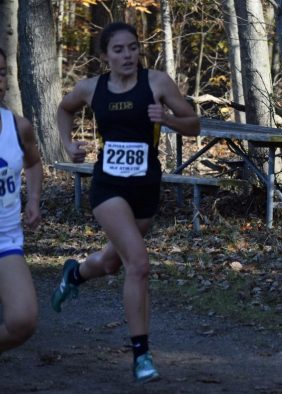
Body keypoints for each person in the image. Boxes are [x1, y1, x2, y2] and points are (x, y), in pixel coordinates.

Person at [50, 22, 200, 382]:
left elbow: (194, 124)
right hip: (108, 186)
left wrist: (167, 119)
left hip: (145, 186)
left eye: (132, 47)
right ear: (105, 56)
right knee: (140, 264)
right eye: (118, 50)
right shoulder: (91, 88)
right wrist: (67, 144)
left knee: (112, 262)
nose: (127, 55)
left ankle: (75, 274)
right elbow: (63, 109)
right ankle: (141, 354)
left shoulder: (158, 82)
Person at [0, 47, 43, 353]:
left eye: (1, 72)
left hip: (5, 240)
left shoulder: (18, 127)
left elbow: (33, 163)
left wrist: (34, 200)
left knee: (23, 320)